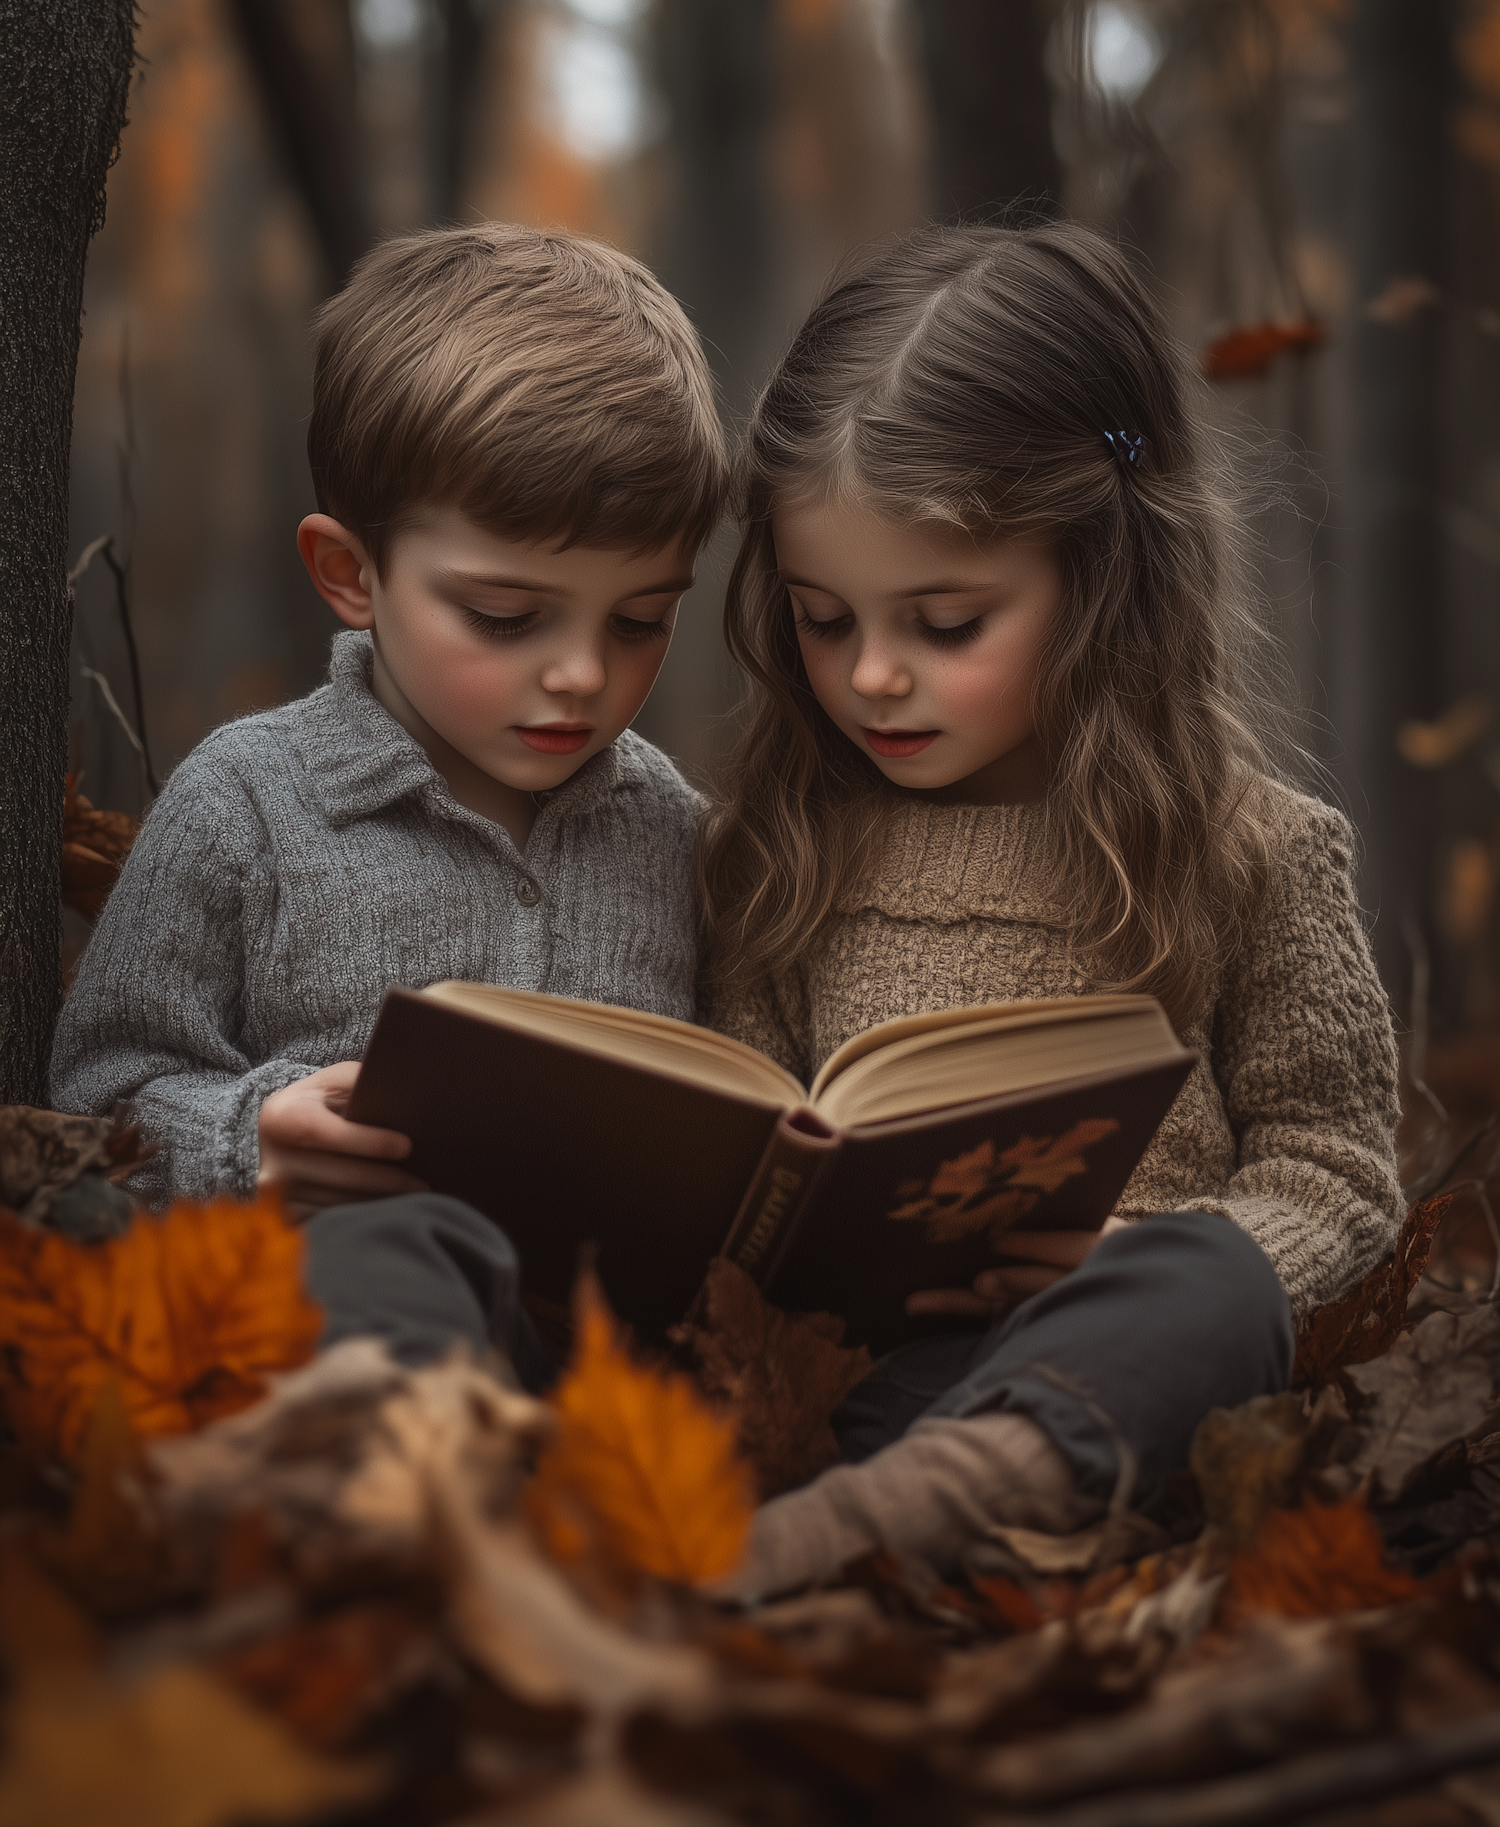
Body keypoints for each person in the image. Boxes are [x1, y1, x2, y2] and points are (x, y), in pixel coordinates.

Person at [697, 221, 1404, 1597]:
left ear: (1106, 577)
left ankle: (895, 1524)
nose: (872, 676)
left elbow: (1338, 1173)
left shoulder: (1250, 850)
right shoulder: (776, 854)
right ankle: (863, 1527)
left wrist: (1152, 1247)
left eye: (945, 622)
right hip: (864, 1389)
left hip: (1129, 1385)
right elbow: (752, 1136)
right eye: (823, 618)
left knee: (1204, 1287)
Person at [51, 223, 727, 1221]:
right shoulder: (246, 806)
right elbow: (92, 1100)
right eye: (505, 617)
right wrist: (249, 1142)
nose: (584, 673)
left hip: (612, 1344)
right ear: (351, 574)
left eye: (641, 620)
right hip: (337, 1318)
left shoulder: (675, 832)